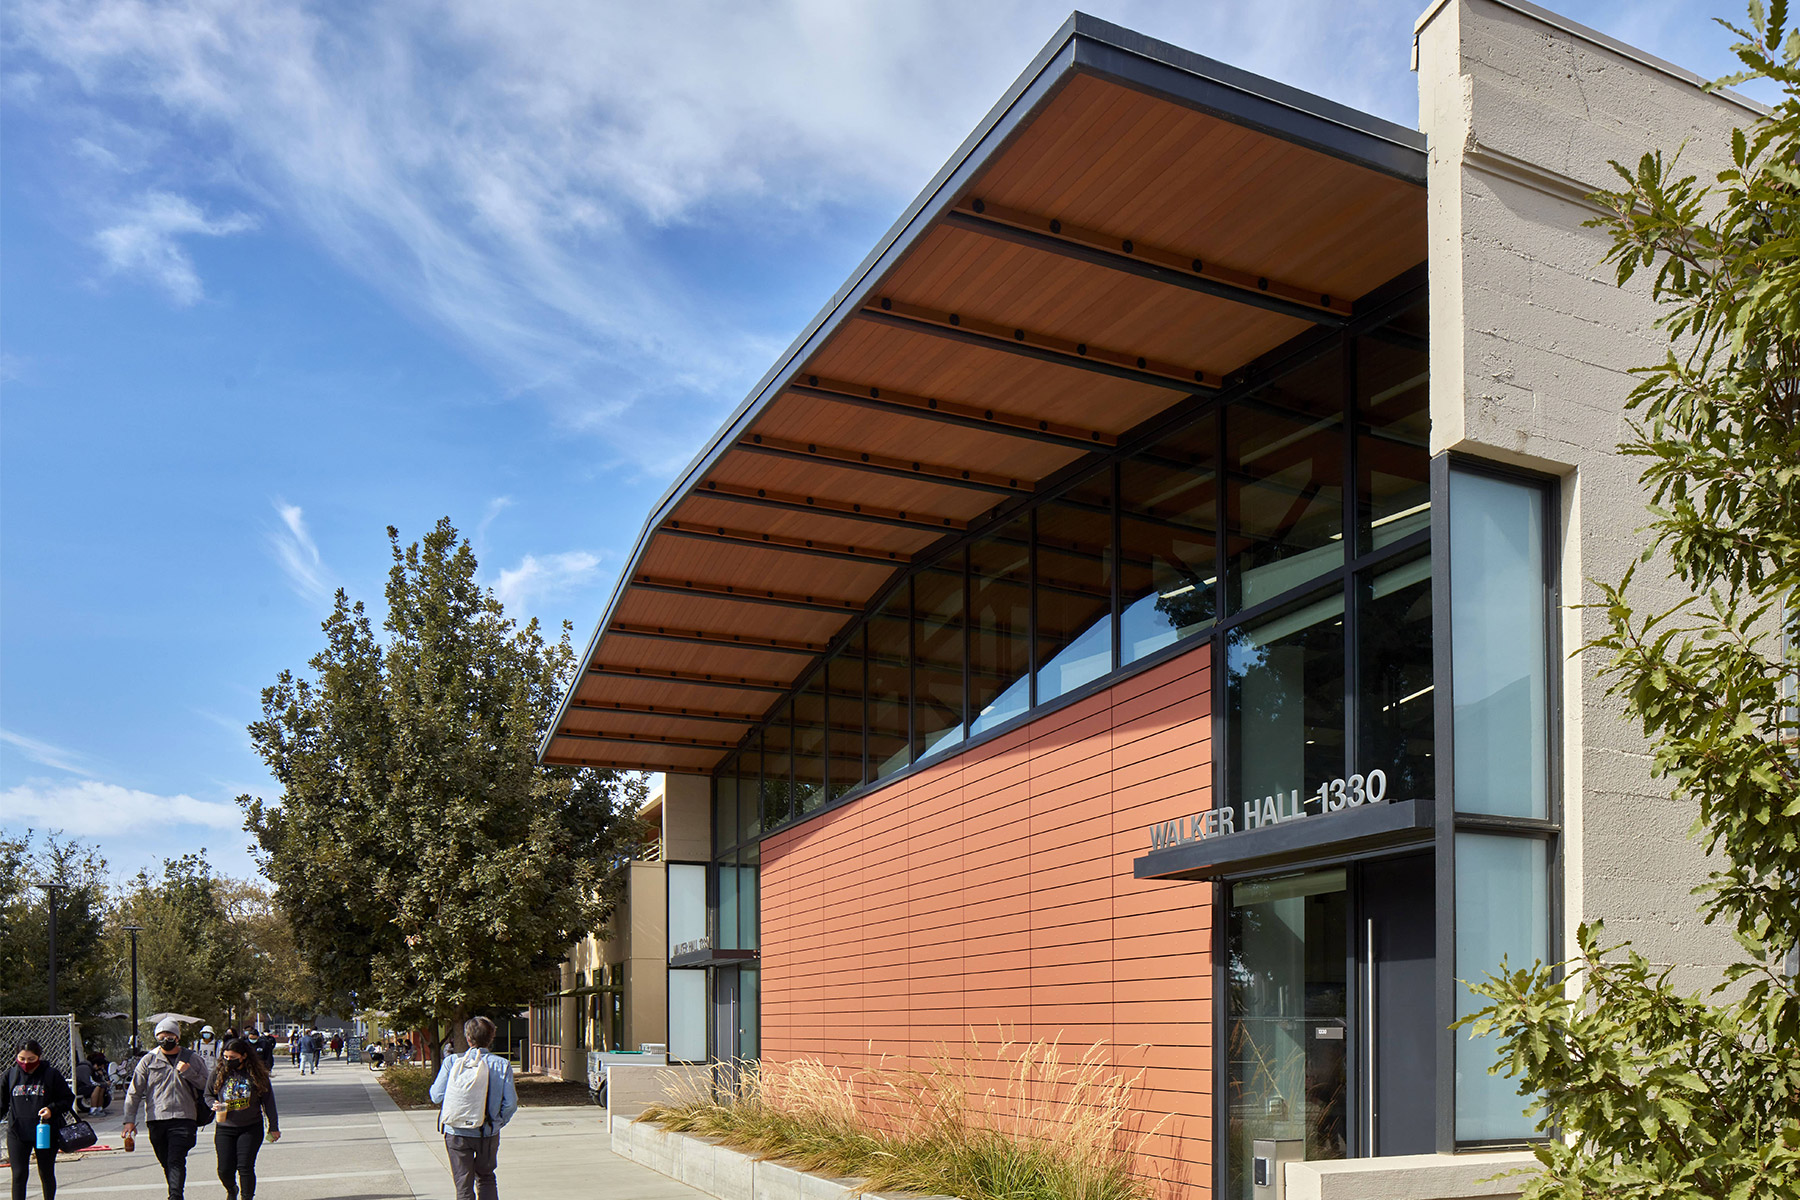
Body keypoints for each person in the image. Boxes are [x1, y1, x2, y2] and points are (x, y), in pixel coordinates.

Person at [429, 1017, 518, 1200]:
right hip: (487, 1132)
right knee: (486, 1178)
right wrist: (497, 1122)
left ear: (468, 1038)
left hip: (456, 1132)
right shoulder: (501, 1064)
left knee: (463, 1184)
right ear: (491, 1037)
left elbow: (436, 1096)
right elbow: (510, 1103)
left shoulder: (452, 1062)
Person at [122, 1017, 211, 1200]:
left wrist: (188, 1072)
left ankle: (175, 1196)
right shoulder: (148, 1060)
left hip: (184, 1117)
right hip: (157, 1119)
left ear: (177, 1037)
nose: (165, 1040)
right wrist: (129, 1120)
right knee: (166, 1161)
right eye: (161, 1036)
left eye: (169, 1036)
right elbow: (134, 1092)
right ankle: (175, 1191)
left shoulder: (192, 1058)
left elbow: (207, 1085)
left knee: (176, 1159)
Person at [2, 1039, 74, 1200]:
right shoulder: (10, 1075)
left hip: (45, 1132)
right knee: (19, 1174)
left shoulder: (51, 1074)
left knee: (46, 1172)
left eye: (31, 1059)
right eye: (22, 1059)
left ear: (39, 1057)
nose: (26, 1063)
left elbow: (67, 1099)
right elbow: (2, 1104)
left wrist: (51, 1109)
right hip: (18, 1132)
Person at [209, 1039, 279, 1200]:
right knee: (224, 1169)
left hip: (250, 1127)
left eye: (233, 1057)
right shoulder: (218, 1072)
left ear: (244, 1056)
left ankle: (246, 1197)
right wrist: (213, 1104)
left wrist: (273, 1127)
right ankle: (231, 1188)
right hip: (225, 1127)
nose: (228, 1061)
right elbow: (208, 1094)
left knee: (245, 1166)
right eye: (226, 1057)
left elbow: (269, 1102)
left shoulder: (257, 1075)